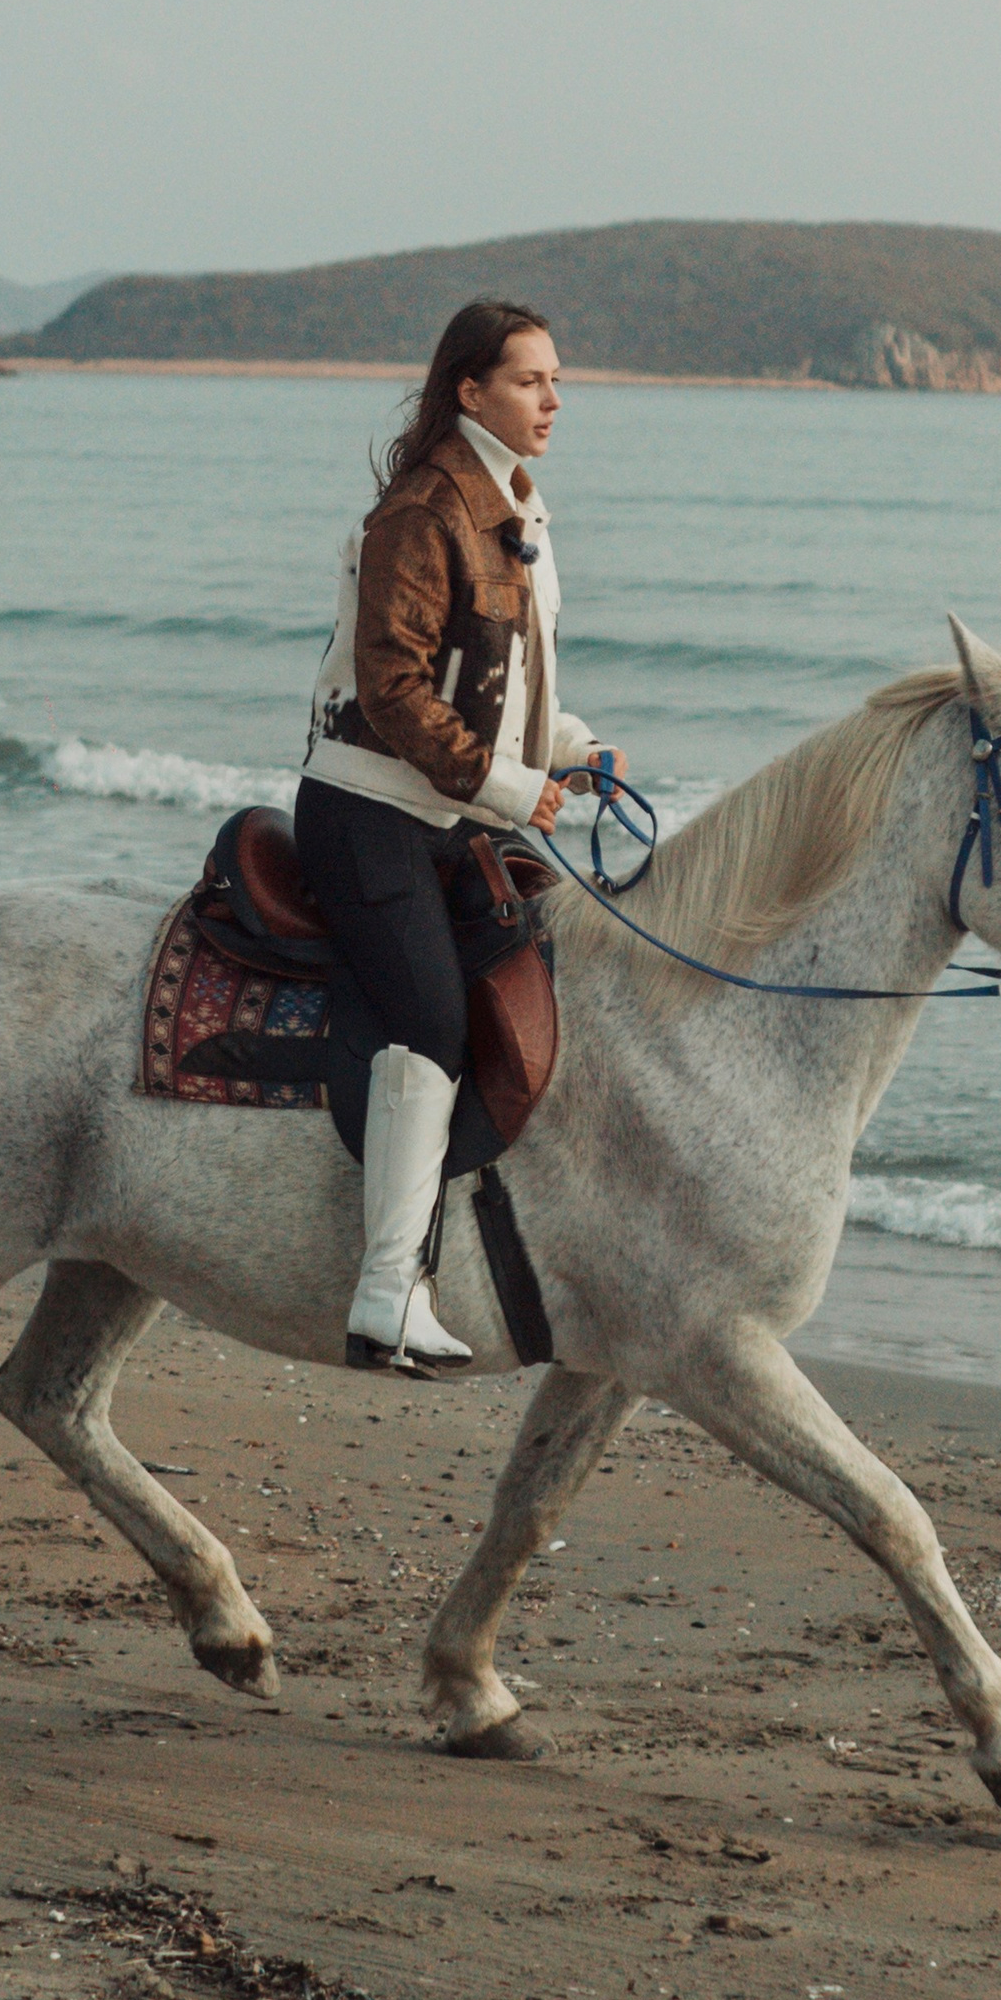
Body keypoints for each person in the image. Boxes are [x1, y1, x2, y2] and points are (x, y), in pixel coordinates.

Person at [295, 300, 618, 1371]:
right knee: (431, 1018)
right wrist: (510, 785)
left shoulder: (516, 506)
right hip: (368, 811)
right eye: (531, 380)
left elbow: (506, 681)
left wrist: (572, 747)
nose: (554, 400)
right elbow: (391, 688)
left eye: (557, 378)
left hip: (447, 811)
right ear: (470, 390)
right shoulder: (423, 510)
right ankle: (388, 1290)